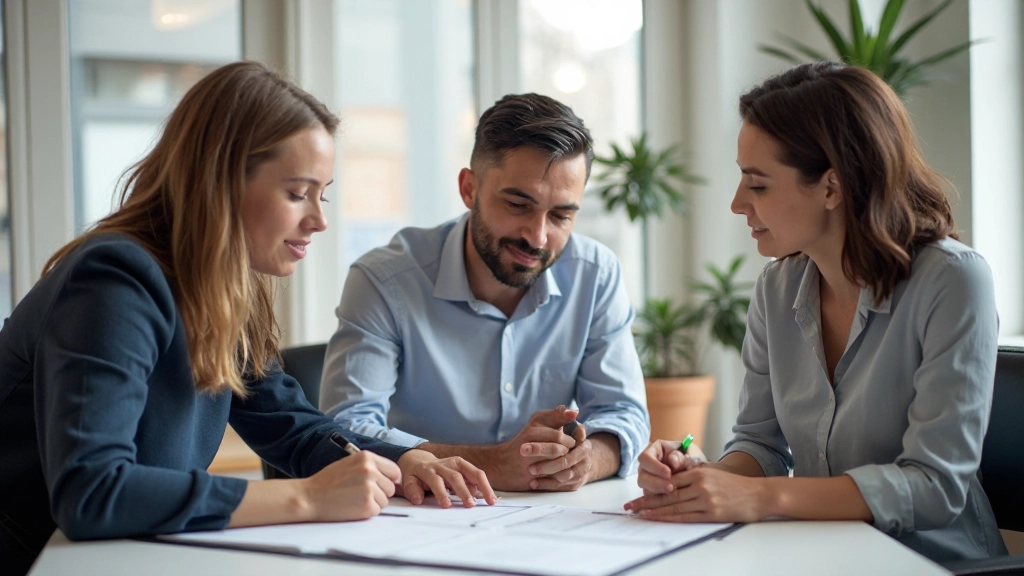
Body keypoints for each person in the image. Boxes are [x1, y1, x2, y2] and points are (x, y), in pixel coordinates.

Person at [0, 61, 495, 576]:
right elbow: (92, 492)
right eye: (297, 192)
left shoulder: (221, 286)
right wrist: (305, 498)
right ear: (221, 181)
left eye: (322, 194)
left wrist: (400, 461)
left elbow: (292, 427)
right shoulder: (114, 280)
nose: (319, 220)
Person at [624, 62, 1007, 563]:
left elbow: (935, 488)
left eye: (757, 185)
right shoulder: (776, 289)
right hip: (819, 556)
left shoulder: (953, 281)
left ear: (831, 187)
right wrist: (699, 474)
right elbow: (759, 446)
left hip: (932, 562)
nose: (738, 204)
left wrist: (763, 498)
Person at [319, 93, 650, 492]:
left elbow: (623, 413)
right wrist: (493, 465)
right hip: (419, 518)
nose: (538, 236)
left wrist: (584, 462)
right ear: (469, 189)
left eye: (561, 215)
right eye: (517, 204)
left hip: (552, 523)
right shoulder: (384, 280)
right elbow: (346, 430)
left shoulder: (596, 275)